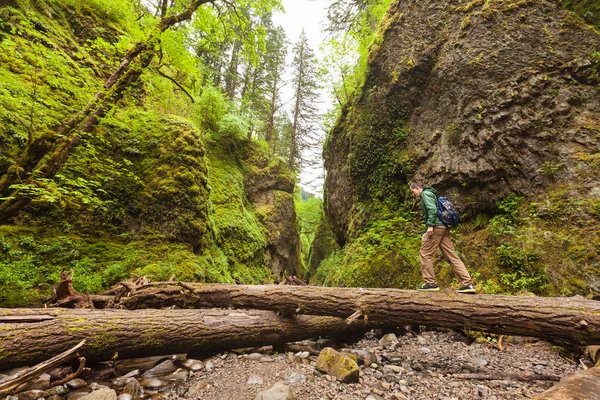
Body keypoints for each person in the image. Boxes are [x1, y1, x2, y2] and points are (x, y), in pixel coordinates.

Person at [409, 182, 476, 293]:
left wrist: (430, 226)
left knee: (425, 253)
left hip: (435, 227)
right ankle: (467, 284)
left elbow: (432, 210)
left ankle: (430, 283)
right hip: (442, 227)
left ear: (417, 188)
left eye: (413, 191)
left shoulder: (425, 194)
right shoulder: (432, 194)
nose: (413, 194)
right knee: (451, 256)